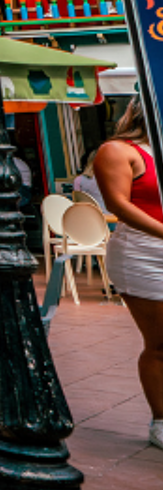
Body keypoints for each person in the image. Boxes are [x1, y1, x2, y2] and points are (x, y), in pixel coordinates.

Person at [95, 103, 163, 449]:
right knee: (161, 344)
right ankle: (161, 422)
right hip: (145, 252)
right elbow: (119, 205)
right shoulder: (119, 151)